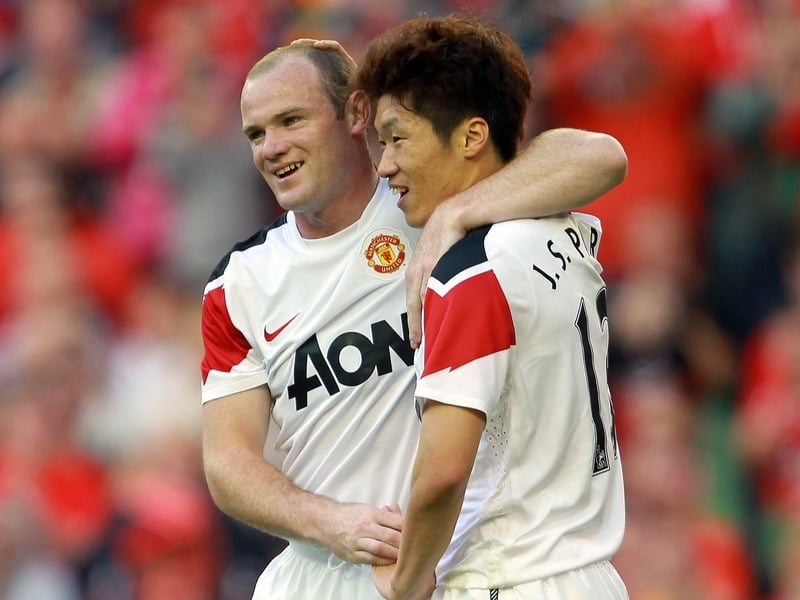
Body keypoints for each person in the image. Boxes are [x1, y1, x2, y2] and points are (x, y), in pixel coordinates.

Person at [200, 37, 627, 600]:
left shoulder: (427, 196)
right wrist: (328, 521)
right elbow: (227, 463)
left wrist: (458, 213)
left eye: (291, 120)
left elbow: (601, 156)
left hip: (440, 569)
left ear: (356, 114)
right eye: (256, 134)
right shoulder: (237, 283)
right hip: (320, 570)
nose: (271, 148)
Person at [356, 14, 627, 599]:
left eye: (398, 137)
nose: (384, 164)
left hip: (505, 576)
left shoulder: (469, 272)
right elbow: (588, 154)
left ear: (472, 137)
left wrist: (406, 582)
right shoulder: (570, 231)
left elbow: (444, 469)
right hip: (595, 578)